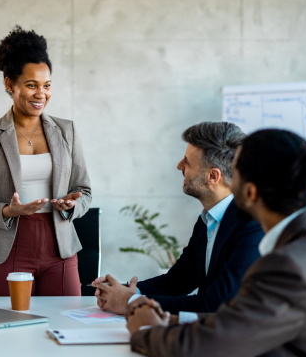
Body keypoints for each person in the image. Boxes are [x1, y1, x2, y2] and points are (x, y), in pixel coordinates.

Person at [125, 129, 306, 357]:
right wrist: (169, 319)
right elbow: (241, 323)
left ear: (250, 193)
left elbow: (216, 346)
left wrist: (148, 329)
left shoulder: (289, 264)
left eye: (234, 174)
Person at [0, 26, 91, 297]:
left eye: (47, 85)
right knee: (10, 331)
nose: (40, 94)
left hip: (60, 250)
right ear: (10, 84)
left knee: (64, 326)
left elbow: (85, 192)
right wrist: (10, 211)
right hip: (7, 250)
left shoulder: (66, 130)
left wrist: (71, 205)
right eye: (31, 85)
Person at [93, 122, 264, 317]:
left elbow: (215, 304)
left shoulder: (251, 224)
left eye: (187, 162)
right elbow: (176, 282)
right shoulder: (207, 219)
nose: (179, 166)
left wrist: (131, 302)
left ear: (212, 176)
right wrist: (121, 291)